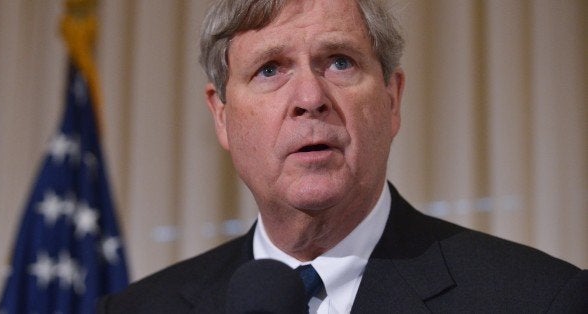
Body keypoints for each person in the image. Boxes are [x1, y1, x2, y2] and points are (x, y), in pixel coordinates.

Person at [98, 0, 587, 312]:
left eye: (339, 61)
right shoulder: (136, 309)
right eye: (270, 69)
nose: (310, 96)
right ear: (222, 116)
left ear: (391, 100)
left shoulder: (539, 299)